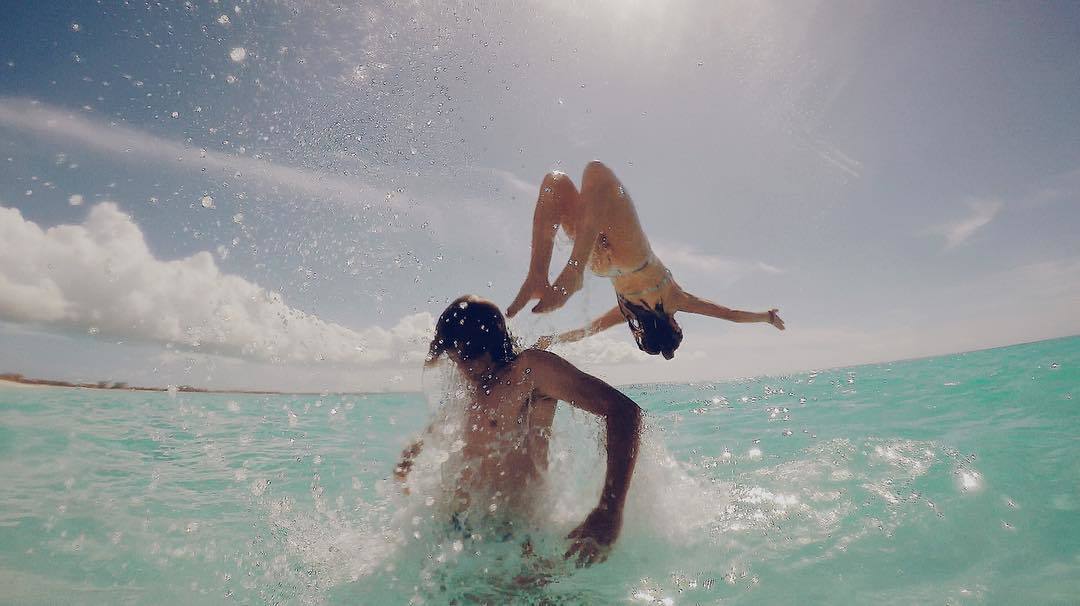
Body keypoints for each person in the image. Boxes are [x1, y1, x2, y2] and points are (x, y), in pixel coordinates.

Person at [394, 295, 643, 567]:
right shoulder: (470, 386)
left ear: (490, 345)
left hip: (518, 536)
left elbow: (624, 412)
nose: (462, 368)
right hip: (457, 529)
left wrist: (609, 509)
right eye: (455, 360)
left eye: (466, 358)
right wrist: (410, 455)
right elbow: (446, 423)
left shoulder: (529, 371)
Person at [507, 160, 786, 359]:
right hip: (602, 265)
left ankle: (552, 271)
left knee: (595, 173)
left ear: (673, 325)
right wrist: (550, 340)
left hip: (633, 257)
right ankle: (544, 276)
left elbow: (730, 314)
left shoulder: (675, 300)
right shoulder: (627, 311)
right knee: (558, 184)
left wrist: (767, 317)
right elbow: (587, 331)